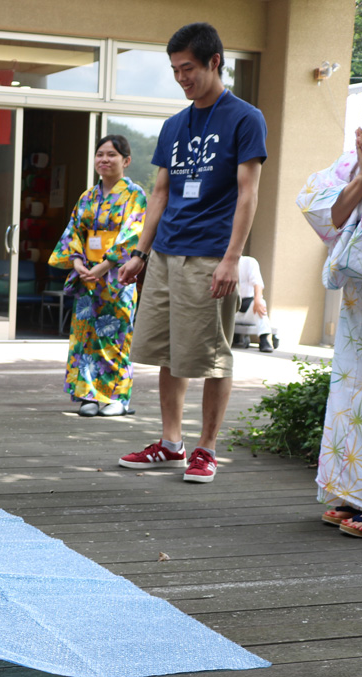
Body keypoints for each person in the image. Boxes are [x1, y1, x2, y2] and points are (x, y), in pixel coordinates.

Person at [116, 22, 267, 483]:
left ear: (214, 62)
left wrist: (231, 258)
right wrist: (141, 253)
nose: (182, 78)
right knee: (169, 352)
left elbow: (247, 194)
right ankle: (171, 443)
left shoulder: (244, 118)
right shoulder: (174, 125)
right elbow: (160, 193)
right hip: (164, 254)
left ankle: (207, 448)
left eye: (189, 69)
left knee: (213, 355)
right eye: (175, 70)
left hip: (210, 255)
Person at [48, 135, 147, 417]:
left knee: (115, 336)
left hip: (118, 276)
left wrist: (104, 267)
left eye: (112, 155)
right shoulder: (87, 196)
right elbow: (74, 231)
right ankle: (88, 395)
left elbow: (134, 233)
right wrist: (78, 263)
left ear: (126, 161)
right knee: (85, 337)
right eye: (100, 154)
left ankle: (118, 397)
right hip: (87, 276)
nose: (104, 159)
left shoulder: (134, 195)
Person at [297, 125, 362, 537]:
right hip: (359, 302)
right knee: (351, 394)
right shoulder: (349, 164)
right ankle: (353, 492)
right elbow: (328, 215)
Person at [233, 255, 274, 352]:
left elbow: (257, 282)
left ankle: (265, 339)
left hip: (248, 308)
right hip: (230, 310)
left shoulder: (249, 262)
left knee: (261, 302)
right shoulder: (219, 261)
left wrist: (258, 299)